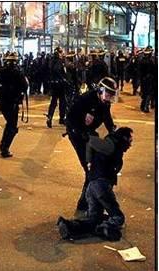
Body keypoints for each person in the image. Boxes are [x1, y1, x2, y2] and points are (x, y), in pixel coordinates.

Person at [57, 127, 133, 241]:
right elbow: (91, 141)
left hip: (92, 186)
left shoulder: (113, 147)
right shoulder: (111, 145)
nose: (130, 144)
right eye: (130, 140)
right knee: (118, 217)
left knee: (94, 219)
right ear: (124, 138)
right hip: (101, 185)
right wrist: (88, 161)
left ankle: (69, 226)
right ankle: (104, 228)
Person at [65, 77, 118, 217]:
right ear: (100, 90)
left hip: (89, 135)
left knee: (96, 168)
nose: (110, 98)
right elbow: (69, 118)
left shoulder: (105, 102)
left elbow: (106, 117)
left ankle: (88, 203)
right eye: (108, 93)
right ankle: (85, 204)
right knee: (90, 168)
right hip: (77, 135)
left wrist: (113, 131)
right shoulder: (85, 99)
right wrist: (81, 133)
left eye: (112, 94)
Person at [0, 52, 28, 158]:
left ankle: (4, 145)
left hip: (3, 102)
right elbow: (25, 86)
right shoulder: (18, 73)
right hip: (13, 102)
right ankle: (4, 147)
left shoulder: (2, 72)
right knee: (12, 126)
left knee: (10, 124)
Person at [46, 47, 67, 128]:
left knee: (53, 102)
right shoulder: (59, 62)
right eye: (61, 52)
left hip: (53, 84)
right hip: (60, 85)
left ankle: (50, 117)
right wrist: (63, 79)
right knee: (62, 102)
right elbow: (59, 71)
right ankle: (61, 118)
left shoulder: (51, 61)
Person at [139, 47, 155, 113]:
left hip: (143, 79)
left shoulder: (141, 60)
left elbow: (139, 71)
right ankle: (146, 107)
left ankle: (142, 106)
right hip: (149, 79)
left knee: (144, 93)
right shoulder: (151, 61)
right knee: (148, 93)